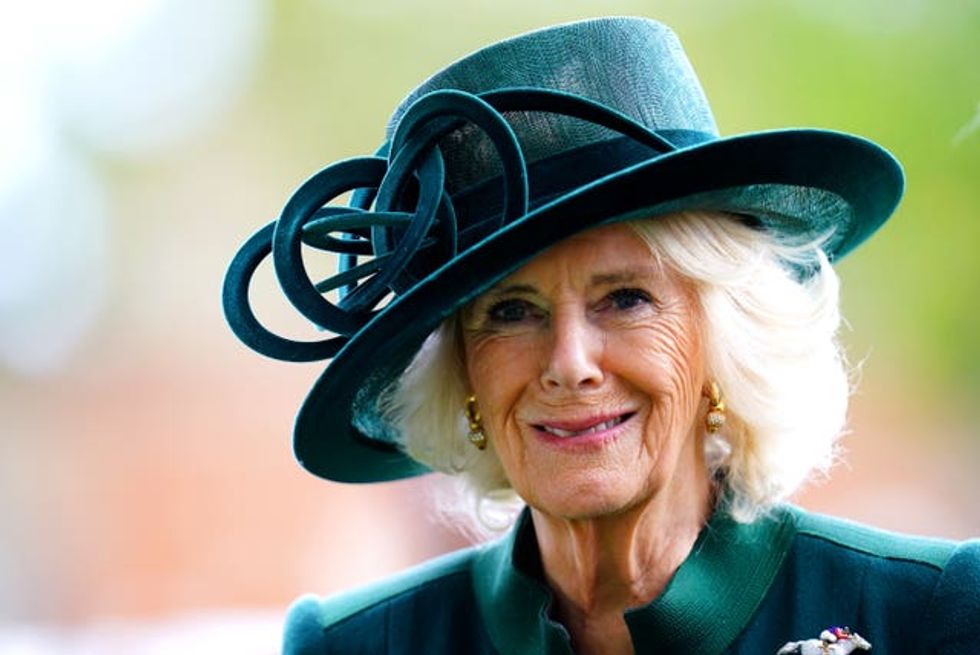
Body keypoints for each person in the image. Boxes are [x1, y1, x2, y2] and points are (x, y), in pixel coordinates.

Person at [223, 17, 980, 655]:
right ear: (465, 379)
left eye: (625, 298)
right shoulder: (356, 646)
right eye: (511, 312)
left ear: (723, 338)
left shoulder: (932, 616)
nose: (570, 362)